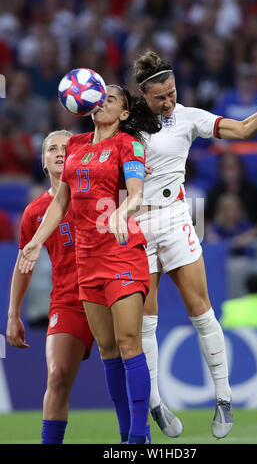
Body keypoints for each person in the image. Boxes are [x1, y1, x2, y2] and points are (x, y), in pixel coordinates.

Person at [132, 50, 257, 439]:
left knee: (201, 311)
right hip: (136, 222)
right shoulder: (127, 126)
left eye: (172, 92)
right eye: (160, 97)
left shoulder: (188, 117)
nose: (169, 101)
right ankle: (154, 402)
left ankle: (223, 397)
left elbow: (240, 130)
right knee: (146, 323)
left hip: (173, 217)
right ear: (143, 97)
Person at [19, 85, 161, 444]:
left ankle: (138, 439)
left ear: (124, 114)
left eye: (110, 99)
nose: (102, 103)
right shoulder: (77, 146)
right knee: (108, 352)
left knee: (129, 342)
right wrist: (36, 242)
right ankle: (125, 431)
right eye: (99, 98)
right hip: (88, 260)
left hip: (122, 254)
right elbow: (60, 202)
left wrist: (123, 210)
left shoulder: (128, 144)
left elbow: (136, 191)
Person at [6, 130, 95, 444]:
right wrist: (13, 313)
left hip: (109, 295)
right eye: (52, 149)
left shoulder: (99, 193)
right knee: (57, 377)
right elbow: (23, 264)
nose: (59, 153)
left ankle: (135, 441)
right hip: (69, 302)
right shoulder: (35, 212)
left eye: (66, 147)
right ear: (43, 162)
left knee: (127, 372)